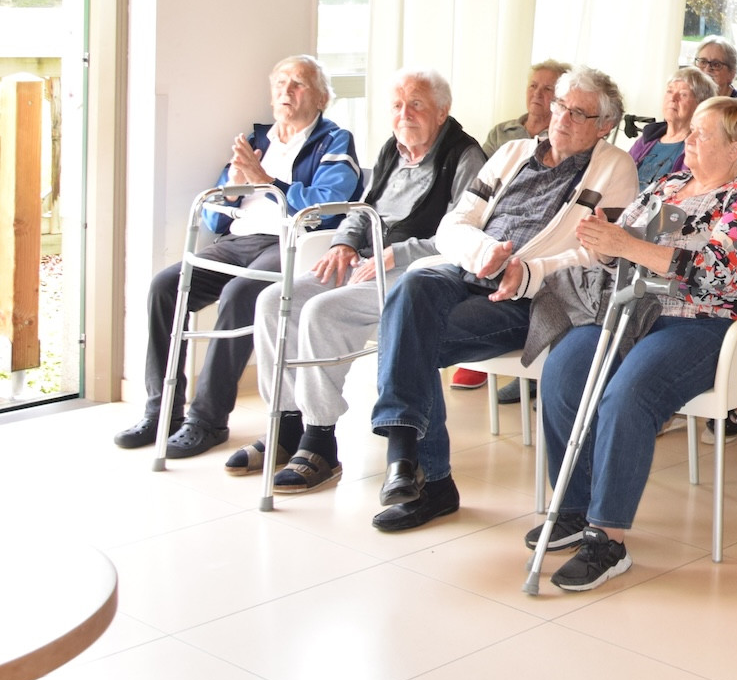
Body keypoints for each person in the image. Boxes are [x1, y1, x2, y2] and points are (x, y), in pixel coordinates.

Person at [530, 98, 737, 591]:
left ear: (736, 148)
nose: (687, 140)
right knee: (564, 368)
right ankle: (573, 506)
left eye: (701, 134)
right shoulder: (670, 185)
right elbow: (621, 251)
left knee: (630, 393)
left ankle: (607, 538)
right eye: (690, 131)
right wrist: (604, 244)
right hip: (637, 312)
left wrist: (627, 246)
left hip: (709, 323)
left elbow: (717, 276)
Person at [366, 67, 638, 531]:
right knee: (410, 288)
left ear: (604, 124)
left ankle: (421, 475)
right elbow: (453, 224)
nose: (562, 118)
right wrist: (484, 254)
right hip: (472, 268)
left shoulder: (615, 168)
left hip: (533, 298)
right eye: (559, 105)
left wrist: (526, 272)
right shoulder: (512, 153)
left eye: (578, 112)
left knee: (409, 339)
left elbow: (599, 253)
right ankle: (408, 460)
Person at [241, 68, 486, 491]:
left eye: (417, 105)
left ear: (442, 112)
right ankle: (285, 426)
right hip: (366, 262)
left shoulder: (465, 158)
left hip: (417, 275)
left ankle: (319, 442)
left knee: (322, 311)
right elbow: (363, 208)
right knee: (273, 302)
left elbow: (466, 236)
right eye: (397, 105)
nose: (404, 114)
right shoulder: (394, 150)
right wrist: (344, 243)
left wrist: (399, 252)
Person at [115, 56, 363, 458]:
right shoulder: (256, 141)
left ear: (321, 97)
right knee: (165, 287)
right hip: (239, 240)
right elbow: (215, 218)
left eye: (298, 84)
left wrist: (266, 182)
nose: (286, 90)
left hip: (288, 244)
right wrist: (234, 182)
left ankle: (206, 420)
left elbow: (327, 208)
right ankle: (162, 411)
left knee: (239, 295)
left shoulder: (334, 141)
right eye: (280, 82)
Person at [626, 66, 718, 191]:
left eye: (683, 94)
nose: (673, 98)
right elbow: (621, 176)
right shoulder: (647, 139)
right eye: (669, 91)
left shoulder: (699, 146)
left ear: (700, 105)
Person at [482, 59, 571, 154]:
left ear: (562, 98)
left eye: (547, 89)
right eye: (533, 86)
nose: (537, 93)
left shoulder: (561, 138)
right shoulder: (499, 133)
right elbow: (482, 168)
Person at [693, 35, 737, 112]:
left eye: (716, 64)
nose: (707, 69)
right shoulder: (691, 100)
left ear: (731, 73)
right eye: (703, 62)